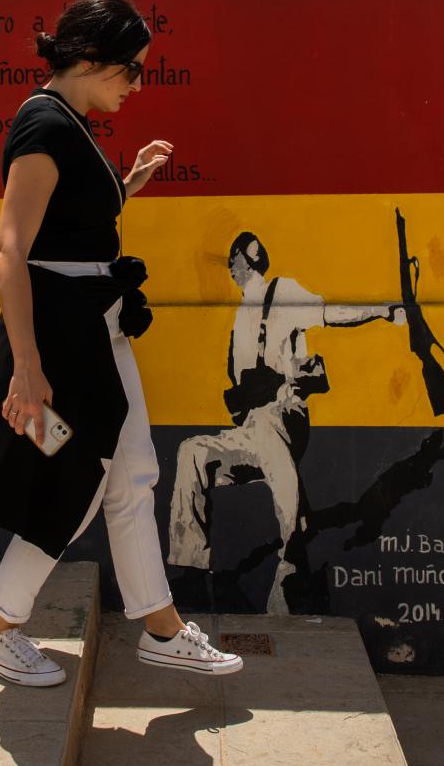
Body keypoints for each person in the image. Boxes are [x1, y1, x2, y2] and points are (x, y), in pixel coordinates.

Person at [0, 0, 242, 687]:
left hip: (95, 332)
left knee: (133, 474)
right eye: (133, 69)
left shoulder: (72, 124)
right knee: (76, 477)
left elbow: (73, 226)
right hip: (61, 346)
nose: (140, 84)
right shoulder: (44, 124)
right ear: (90, 59)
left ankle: (161, 626)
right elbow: (10, 249)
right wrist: (26, 370)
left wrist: (129, 184)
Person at [166, 231, 405, 613]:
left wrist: (382, 310)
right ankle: (188, 570)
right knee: (192, 452)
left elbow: (331, 313)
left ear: (251, 257)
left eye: (234, 258)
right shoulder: (241, 315)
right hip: (250, 426)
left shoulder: (281, 292)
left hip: (281, 415)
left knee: (279, 468)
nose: (229, 266)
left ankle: (292, 567)